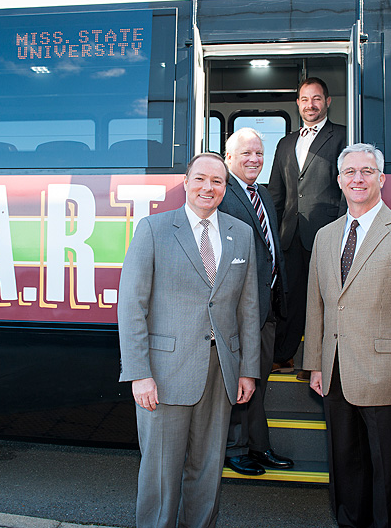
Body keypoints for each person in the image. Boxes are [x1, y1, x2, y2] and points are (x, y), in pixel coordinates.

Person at [118, 152, 261, 528]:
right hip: (164, 373)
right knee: (160, 475)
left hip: (221, 371)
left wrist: (248, 371)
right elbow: (132, 306)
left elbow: (248, 308)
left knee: (208, 470)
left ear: (226, 188)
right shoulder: (153, 229)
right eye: (200, 179)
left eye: (217, 181)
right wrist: (138, 373)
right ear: (185, 182)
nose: (207, 188)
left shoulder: (240, 233)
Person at [304, 143, 391, 528]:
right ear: (339, 181)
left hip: (387, 381)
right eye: (350, 172)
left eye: (366, 171)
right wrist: (315, 364)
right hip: (335, 376)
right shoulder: (325, 237)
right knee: (345, 473)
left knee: (388, 480)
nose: (357, 179)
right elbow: (318, 306)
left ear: (382, 178)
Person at [219, 128, 294, 476]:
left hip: (265, 309)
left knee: (256, 383)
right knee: (237, 382)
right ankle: (233, 449)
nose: (254, 160)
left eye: (259, 154)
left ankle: (258, 446)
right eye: (246, 153)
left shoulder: (261, 193)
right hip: (236, 309)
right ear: (229, 157)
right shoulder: (222, 191)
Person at [268, 77, 347, 379]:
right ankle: (284, 356)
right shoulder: (286, 142)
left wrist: (341, 231)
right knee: (290, 298)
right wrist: (272, 235)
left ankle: (316, 363)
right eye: (304, 99)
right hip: (291, 234)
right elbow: (277, 193)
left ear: (328, 102)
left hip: (327, 234)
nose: (310, 105)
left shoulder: (342, 137)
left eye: (316, 99)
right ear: (298, 103)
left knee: (325, 300)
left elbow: (346, 189)